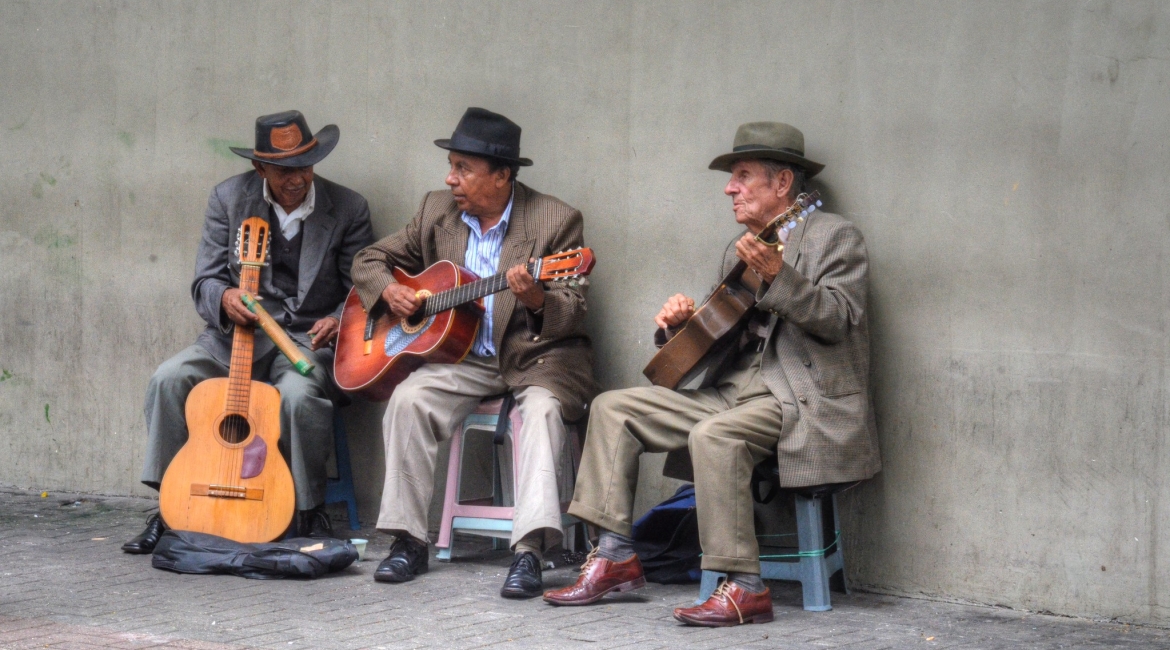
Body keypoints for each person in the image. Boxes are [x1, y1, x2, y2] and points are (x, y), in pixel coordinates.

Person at [544, 121, 881, 626]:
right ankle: (614, 557)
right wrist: (680, 326)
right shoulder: (740, 247)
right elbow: (711, 340)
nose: (730, 187)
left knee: (714, 435)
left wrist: (777, 275)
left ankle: (745, 586)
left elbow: (839, 320)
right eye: (732, 178)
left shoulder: (836, 237)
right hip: (732, 392)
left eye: (743, 176)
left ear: (783, 183)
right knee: (614, 407)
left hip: (799, 399)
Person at [351, 107, 597, 599]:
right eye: (452, 166)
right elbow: (368, 259)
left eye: (463, 168)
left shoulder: (556, 220)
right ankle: (407, 541)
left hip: (534, 357)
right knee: (408, 400)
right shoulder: (436, 210)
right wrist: (388, 293)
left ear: (502, 174)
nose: (451, 178)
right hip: (463, 359)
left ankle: (528, 551)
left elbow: (572, 312)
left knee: (545, 414)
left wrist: (536, 299)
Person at [122, 111, 375, 553]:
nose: (297, 179)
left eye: (305, 166)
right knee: (169, 378)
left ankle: (305, 510)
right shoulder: (228, 198)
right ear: (260, 168)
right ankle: (171, 508)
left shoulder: (348, 207)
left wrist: (337, 319)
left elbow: (361, 286)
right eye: (284, 170)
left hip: (301, 343)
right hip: (233, 339)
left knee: (298, 397)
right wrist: (224, 299)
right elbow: (206, 279)